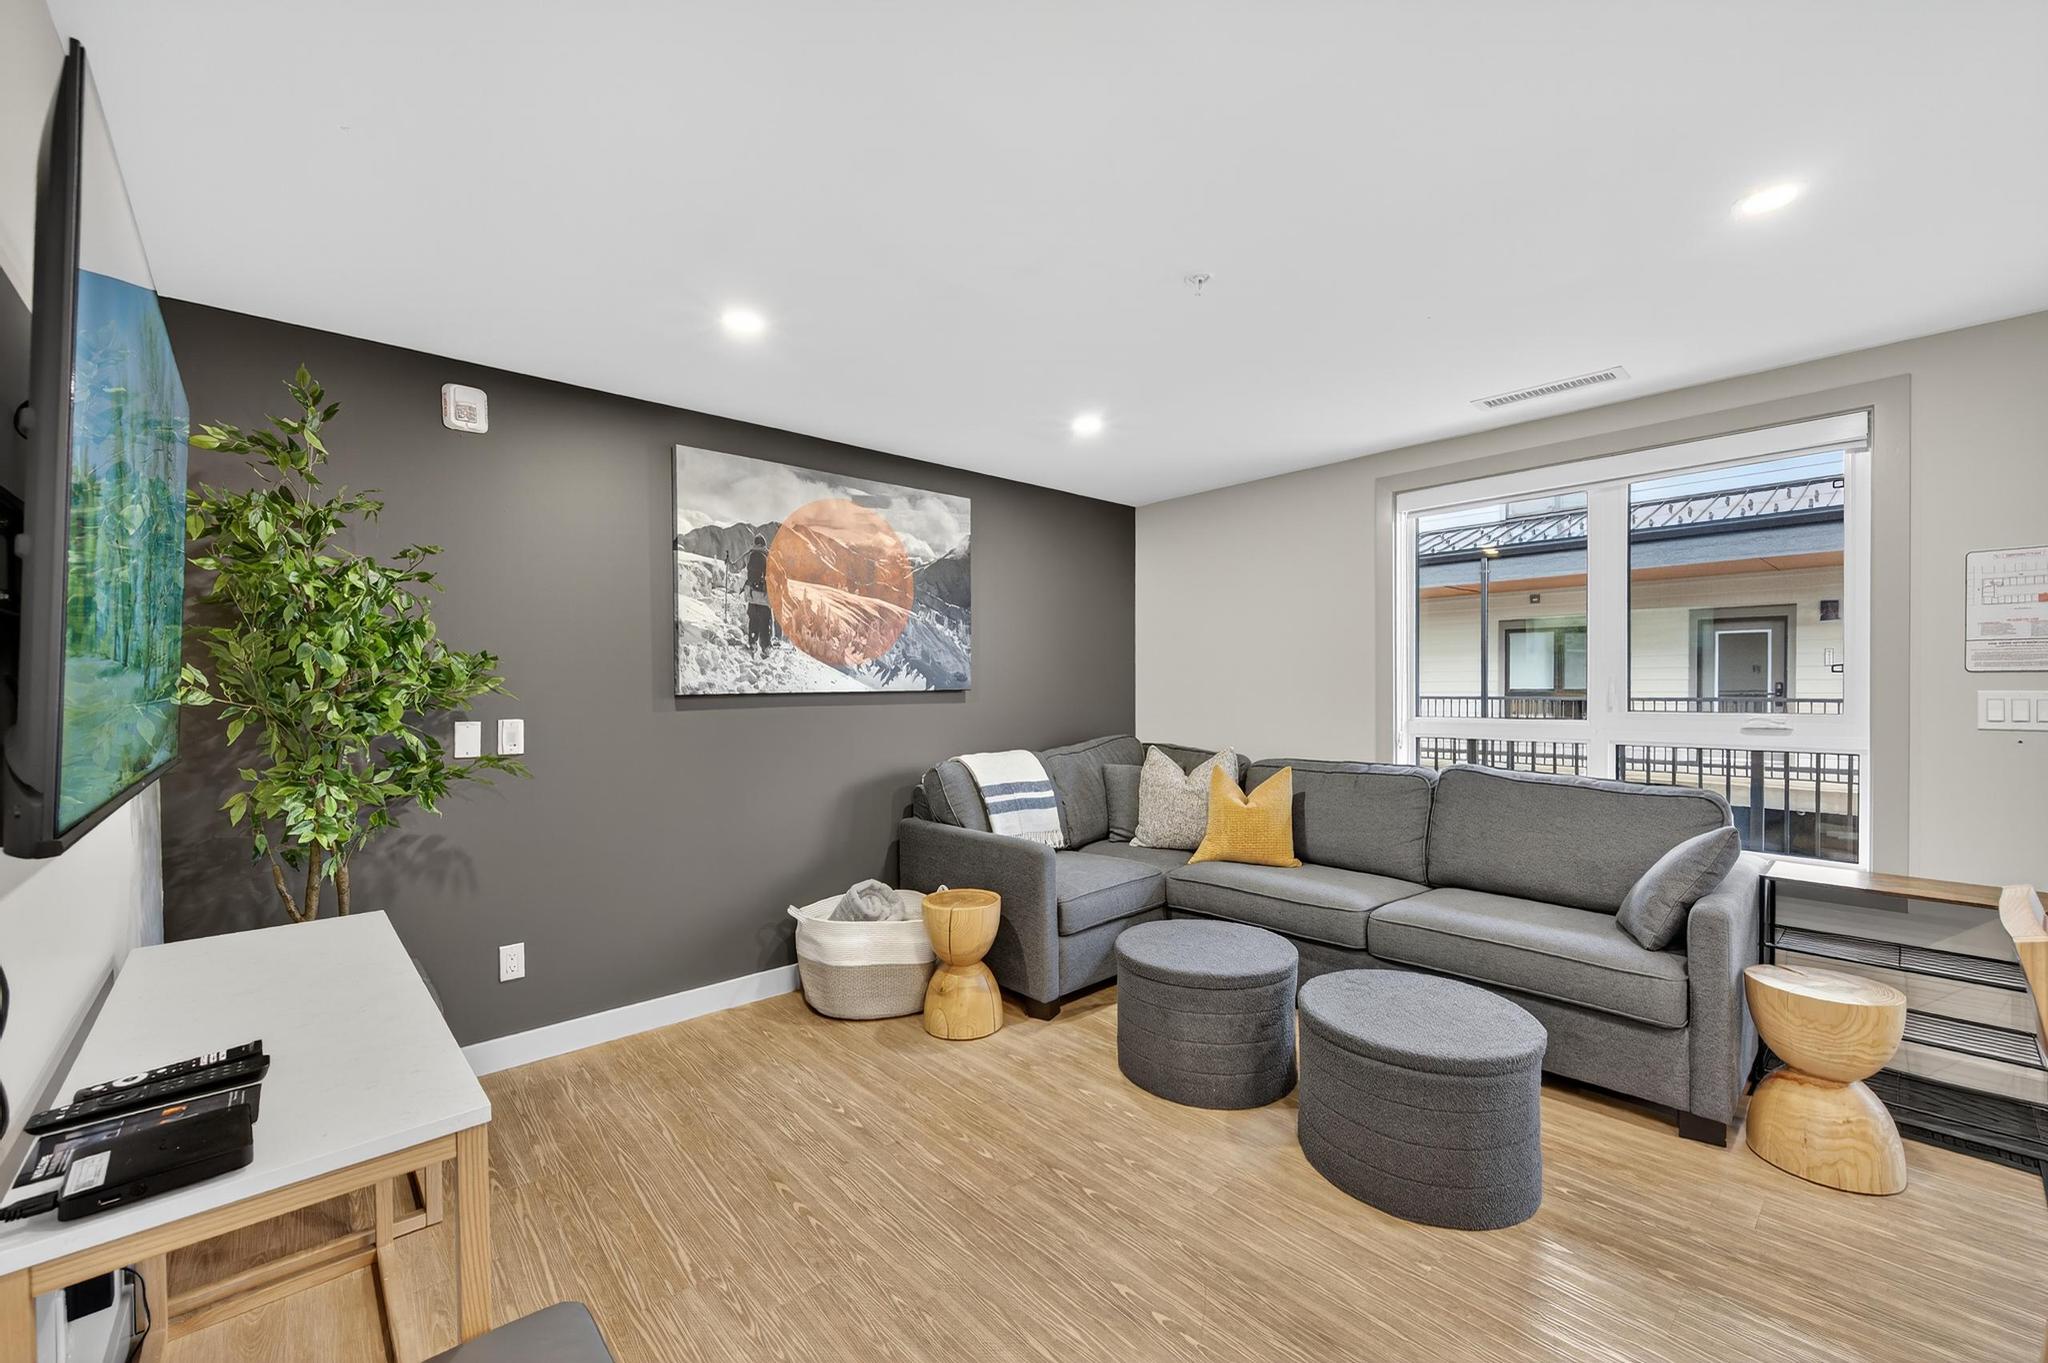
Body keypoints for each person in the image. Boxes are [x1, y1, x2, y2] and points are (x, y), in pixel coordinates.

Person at [745, 533, 774, 656]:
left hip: (752, 595)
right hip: (763, 596)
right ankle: (766, 647)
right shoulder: (767, 557)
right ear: (764, 544)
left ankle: (752, 643)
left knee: (753, 621)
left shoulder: (750, 555)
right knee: (764, 622)